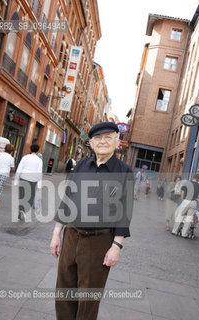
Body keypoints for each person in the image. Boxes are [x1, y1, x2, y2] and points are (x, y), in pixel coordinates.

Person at [50, 122, 133, 320]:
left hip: (99, 242)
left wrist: (116, 246)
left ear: (117, 142)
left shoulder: (124, 172)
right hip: (71, 235)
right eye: (97, 138)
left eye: (108, 137)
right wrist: (56, 233)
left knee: (88, 297)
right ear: (91, 143)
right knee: (64, 290)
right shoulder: (81, 165)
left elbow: (125, 212)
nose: (102, 141)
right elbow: (68, 198)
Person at [14, 144, 43, 221]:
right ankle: (25, 211)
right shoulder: (39, 160)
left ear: (30, 149)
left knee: (22, 195)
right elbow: (39, 172)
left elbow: (19, 169)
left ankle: (21, 210)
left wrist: (16, 180)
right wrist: (39, 185)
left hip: (24, 178)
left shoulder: (25, 157)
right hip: (33, 180)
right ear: (37, 151)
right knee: (30, 197)